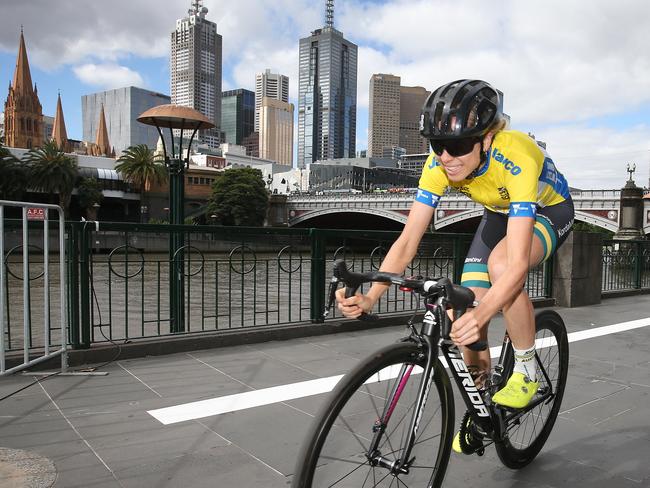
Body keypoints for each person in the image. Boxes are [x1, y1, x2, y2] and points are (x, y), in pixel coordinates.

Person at [336, 79, 574, 452]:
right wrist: (371, 297)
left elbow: (513, 268)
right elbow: (407, 241)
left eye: (459, 145)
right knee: (462, 301)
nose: (446, 157)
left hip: (548, 208)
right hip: (498, 212)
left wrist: (483, 316)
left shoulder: (518, 158)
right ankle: (481, 406)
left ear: (488, 139)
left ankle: (526, 367)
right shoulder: (439, 166)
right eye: (437, 145)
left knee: (500, 266)